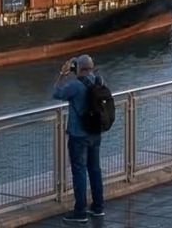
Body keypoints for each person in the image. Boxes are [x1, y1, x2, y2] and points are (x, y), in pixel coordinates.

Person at [53, 54, 108, 222]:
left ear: (78, 68)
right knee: (95, 169)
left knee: (79, 172)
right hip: (95, 132)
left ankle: (80, 212)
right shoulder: (99, 81)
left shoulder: (75, 86)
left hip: (78, 135)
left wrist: (62, 75)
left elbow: (56, 93)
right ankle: (98, 207)